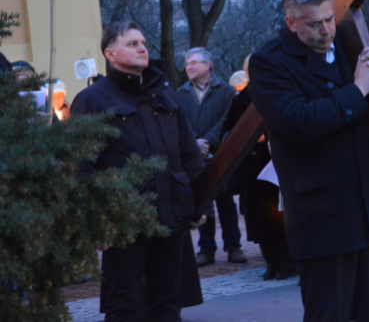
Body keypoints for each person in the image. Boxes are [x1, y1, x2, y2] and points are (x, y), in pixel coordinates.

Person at [248, 0, 369, 322]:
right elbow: (299, 122)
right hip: (324, 218)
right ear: (291, 23)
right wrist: (359, 89)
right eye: (314, 24)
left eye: (329, 19)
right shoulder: (269, 63)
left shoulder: (351, 43)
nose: (326, 31)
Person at [69, 21, 205, 321]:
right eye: (132, 43)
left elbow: (188, 154)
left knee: (168, 303)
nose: (142, 47)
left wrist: (199, 203)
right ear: (110, 53)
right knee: (124, 307)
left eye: (143, 42)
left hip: (171, 217)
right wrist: (95, 221)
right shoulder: (92, 100)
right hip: (123, 222)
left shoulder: (165, 95)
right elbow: (80, 168)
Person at [222, 55, 296, 281]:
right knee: (260, 219)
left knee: (280, 217)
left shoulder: (281, 90)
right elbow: (228, 130)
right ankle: (271, 262)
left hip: (276, 165)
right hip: (252, 169)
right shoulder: (241, 98)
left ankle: (287, 262)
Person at [175, 47, 244, 267]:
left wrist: (209, 141)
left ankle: (233, 246)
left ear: (207, 65)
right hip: (194, 157)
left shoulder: (225, 91)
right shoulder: (179, 94)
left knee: (225, 202)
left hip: (220, 155)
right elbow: (180, 122)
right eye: (187, 64)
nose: (189, 67)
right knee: (202, 203)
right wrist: (195, 142)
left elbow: (227, 118)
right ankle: (206, 249)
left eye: (194, 63)